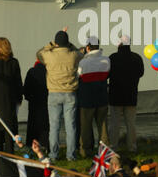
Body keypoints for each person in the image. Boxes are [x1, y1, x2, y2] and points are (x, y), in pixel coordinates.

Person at [37, 28, 83, 161]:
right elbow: (80, 53)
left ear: (56, 43)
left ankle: (53, 155)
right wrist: (69, 44)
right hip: (70, 94)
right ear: (67, 42)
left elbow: (39, 54)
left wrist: (51, 44)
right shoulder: (73, 55)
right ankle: (71, 155)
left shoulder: (48, 55)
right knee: (71, 126)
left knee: (54, 126)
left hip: (53, 94)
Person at [0, 38, 23, 154]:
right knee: (10, 130)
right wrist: (19, 98)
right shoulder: (14, 62)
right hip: (10, 101)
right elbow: (18, 82)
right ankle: (10, 154)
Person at [108, 36, 144, 153]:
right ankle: (132, 147)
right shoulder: (136, 58)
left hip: (115, 96)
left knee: (114, 125)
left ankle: (113, 148)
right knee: (131, 124)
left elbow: (107, 74)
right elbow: (141, 73)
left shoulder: (112, 58)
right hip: (131, 96)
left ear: (119, 44)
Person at [77, 36, 110, 158]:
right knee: (103, 126)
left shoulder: (83, 62)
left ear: (88, 47)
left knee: (86, 126)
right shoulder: (107, 60)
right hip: (102, 97)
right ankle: (105, 150)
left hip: (87, 99)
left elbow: (78, 76)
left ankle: (85, 151)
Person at [24, 56, 50, 150]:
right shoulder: (49, 72)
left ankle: (31, 146)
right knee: (46, 125)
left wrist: (29, 97)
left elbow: (26, 88)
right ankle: (46, 145)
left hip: (34, 103)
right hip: (46, 103)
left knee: (32, 126)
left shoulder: (31, 71)